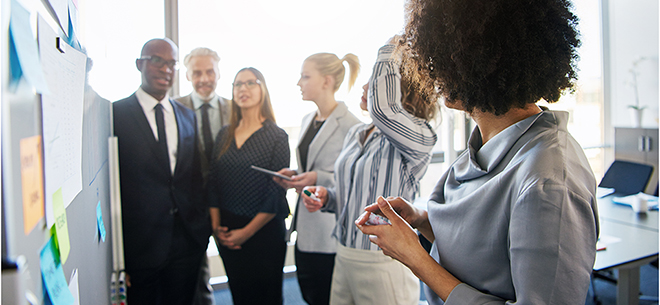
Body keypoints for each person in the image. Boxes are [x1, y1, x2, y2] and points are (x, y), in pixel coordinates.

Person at [355, 0, 599, 304]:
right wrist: (421, 220)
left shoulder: (547, 181)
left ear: (480, 60)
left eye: (442, 57)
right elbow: (486, 255)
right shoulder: (483, 145)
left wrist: (417, 259)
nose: (432, 71)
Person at [301, 38, 438, 305]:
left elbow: (383, 110)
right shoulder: (357, 133)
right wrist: (327, 197)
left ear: (399, 89)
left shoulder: (421, 135)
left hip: (385, 259)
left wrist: (392, 47)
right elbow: (351, 194)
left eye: (375, 81)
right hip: (344, 253)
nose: (365, 87)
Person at [113, 38, 210, 305]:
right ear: (139, 64)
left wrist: (200, 233)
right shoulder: (115, 114)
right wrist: (121, 256)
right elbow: (115, 185)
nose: (166, 69)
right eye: (157, 61)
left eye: (171, 64)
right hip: (140, 247)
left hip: (186, 244)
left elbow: (193, 177)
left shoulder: (186, 115)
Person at [274, 52, 361, 305]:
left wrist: (317, 177)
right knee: (310, 294)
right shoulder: (307, 120)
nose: (299, 83)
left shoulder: (351, 125)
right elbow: (310, 165)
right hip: (305, 228)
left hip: (329, 232)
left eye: (305, 76)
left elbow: (354, 178)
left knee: (326, 297)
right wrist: (295, 176)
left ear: (327, 80)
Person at [207, 67, 290, 305]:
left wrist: (247, 233)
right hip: (228, 229)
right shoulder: (224, 134)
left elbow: (276, 192)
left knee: (267, 296)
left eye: (251, 83)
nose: (243, 88)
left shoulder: (277, 136)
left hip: (264, 231)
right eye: (237, 84)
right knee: (240, 294)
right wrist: (215, 227)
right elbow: (213, 180)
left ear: (263, 89)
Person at [175, 47, 231, 305]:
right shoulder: (173, 109)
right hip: (190, 210)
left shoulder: (235, 109)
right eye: (197, 72)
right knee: (193, 279)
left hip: (228, 206)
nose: (204, 78)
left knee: (239, 273)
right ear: (187, 75)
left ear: (218, 73)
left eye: (210, 71)